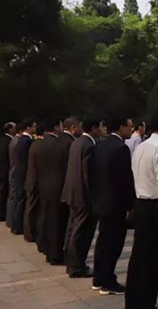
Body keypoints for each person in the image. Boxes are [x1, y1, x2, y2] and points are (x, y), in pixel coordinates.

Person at [125, 113, 158, 309]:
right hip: (154, 207)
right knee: (152, 259)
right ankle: (146, 302)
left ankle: (133, 300)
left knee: (138, 256)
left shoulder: (141, 147)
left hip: (141, 203)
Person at [89, 116, 135, 295]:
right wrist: (130, 206)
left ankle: (99, 278)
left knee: (102, 242)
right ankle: (108, 281)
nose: (131, 130)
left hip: (101, 202)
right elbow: (124, 181)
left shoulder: (99, 145)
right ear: (121, 127)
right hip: (116, 205)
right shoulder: (120, 148)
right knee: (113, 244)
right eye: (130, 126)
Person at [61, 118, 96, 278]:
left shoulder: (77, 142)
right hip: (83, 196)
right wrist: (94, 197)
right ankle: (76, 266)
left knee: (72, 228)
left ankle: (70, 262)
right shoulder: (88, 145)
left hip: (72, 192)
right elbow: (88, 175)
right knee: (81, 232)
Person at [37, 117, 74, 265]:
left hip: (45, 185)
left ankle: (47, 249)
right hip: (59, 187)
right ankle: (56, 254)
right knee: (58, 223)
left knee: (48, 220)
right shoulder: (65, 144)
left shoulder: (43, 143)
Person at [24, 124, 50, 247]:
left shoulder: (34, 144)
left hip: (32, 179)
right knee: (33, 208)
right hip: (36, 180)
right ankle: (30, 233)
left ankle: (30, 232)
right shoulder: (40, 145)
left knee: (31, 207)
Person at [8, 120, 35, 235]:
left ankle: (15, 224)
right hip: (23, 174)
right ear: (28, 128)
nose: (35, 128)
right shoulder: (26, 141)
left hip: (18, 173)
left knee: (19, 199)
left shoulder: (19, 140)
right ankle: (18, 226)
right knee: (21, 200)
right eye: (33, 126)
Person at [0, 122, 15, 222]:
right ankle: (1, 214)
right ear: (10, 129)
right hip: (6, 170)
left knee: (2, 192)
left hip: (2, 170)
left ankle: (0, 213)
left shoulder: (2, 140)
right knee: (4, 192)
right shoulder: (8, 141)